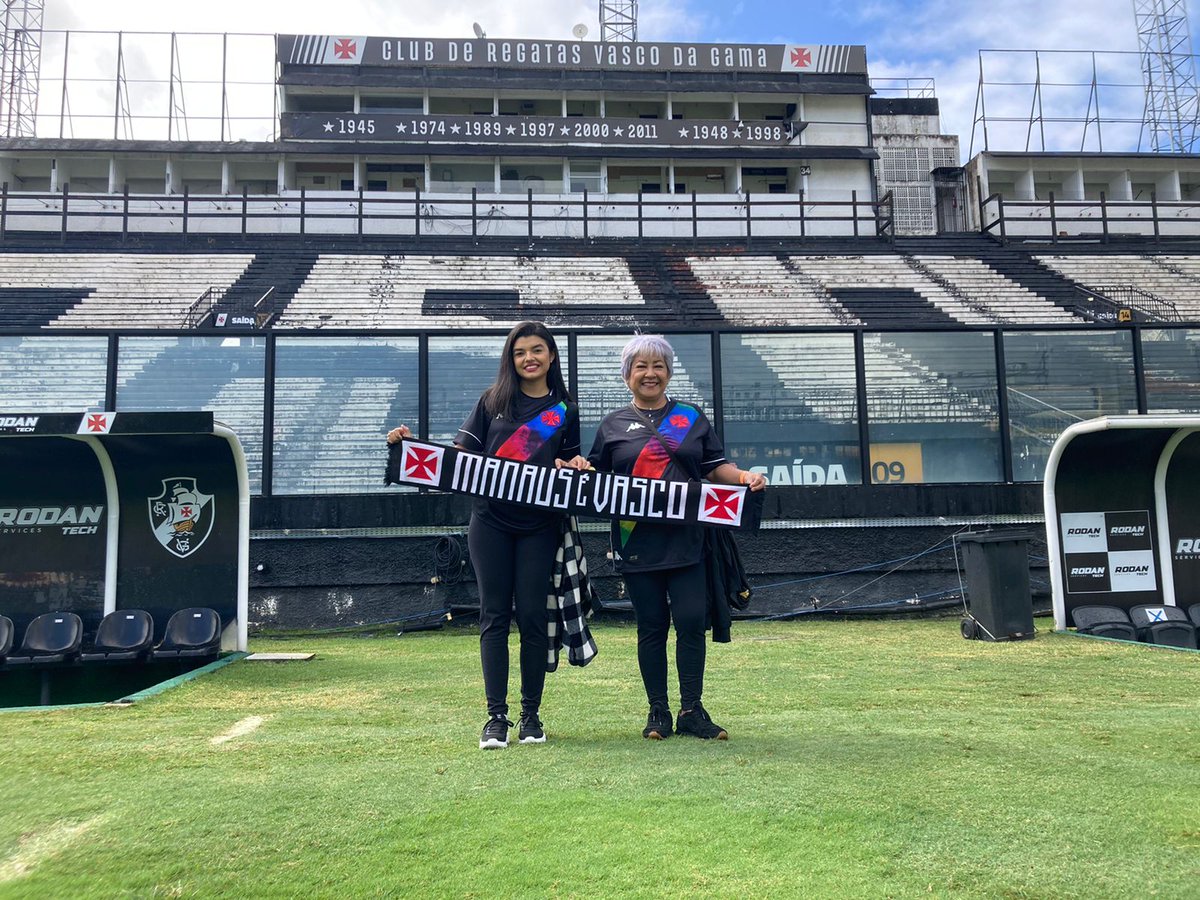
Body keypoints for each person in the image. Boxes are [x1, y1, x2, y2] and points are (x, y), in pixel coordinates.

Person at [387, 322, 589, 750]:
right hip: (490, 522)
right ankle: (496, 718)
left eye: (537, 350)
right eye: (520, 352)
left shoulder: (565, 410)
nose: (529, 358)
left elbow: (571, 465)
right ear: (510, 359)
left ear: (551, 356)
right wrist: (411, 446)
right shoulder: (491, 400)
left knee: (532, 617)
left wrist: (574, 466)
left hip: (540, 526)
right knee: (494, 615)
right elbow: (459, 458)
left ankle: (531, 715)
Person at [587, 334, 766, 741]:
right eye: (641, 366)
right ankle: (658, 711)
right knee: (651, 626)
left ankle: (691, 710)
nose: (650, 373)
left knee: (689, 622)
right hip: (636, 540)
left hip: (689, 540)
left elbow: (716, 468)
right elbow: (596, 477)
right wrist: (582, 467)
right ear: (627, 375)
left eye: (659, 366)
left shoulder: (690, 416)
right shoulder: (612, 424)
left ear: (668, 372)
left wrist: (744, 477)